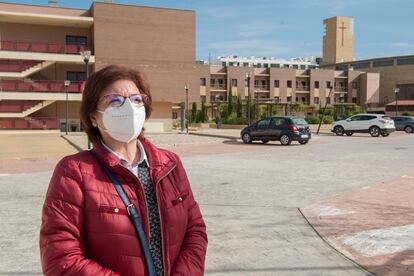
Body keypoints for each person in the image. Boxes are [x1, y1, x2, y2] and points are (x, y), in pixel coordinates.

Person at [39, 65, 208, 276]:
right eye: (114, 101)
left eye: (137, 100)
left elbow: (195, 231)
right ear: (93, 117)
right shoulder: (74, 172)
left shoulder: (170, 164)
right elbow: (61, 258)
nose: (129, 108)